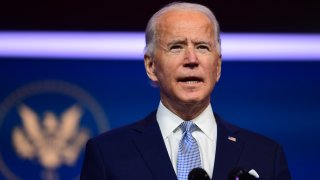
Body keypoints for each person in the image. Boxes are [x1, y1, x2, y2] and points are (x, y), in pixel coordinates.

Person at [80, 2, 291, 180]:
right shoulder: (107, 154)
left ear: (217, 67)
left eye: (202, 47)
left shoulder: (266, 156)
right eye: (176, 47)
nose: (191, 60)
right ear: (151, 66)